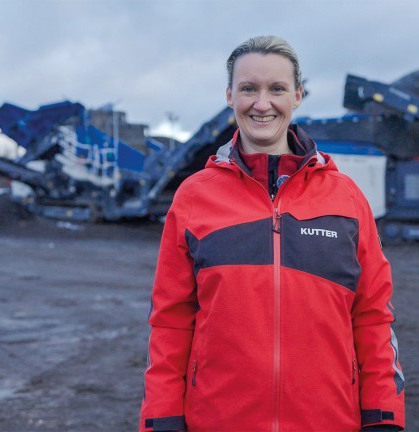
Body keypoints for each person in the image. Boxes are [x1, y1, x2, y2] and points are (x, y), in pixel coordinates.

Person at [139, 35, 404, 432]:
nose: (262, 104)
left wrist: (384, 417)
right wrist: (160, 418)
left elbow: (373, 320)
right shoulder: (194, 198)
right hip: (218, 421)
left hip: (328, 421)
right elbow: (171, 323)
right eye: (249, 89)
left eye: (276, 89)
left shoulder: (347, 199)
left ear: (297, 96)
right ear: (230, 96)